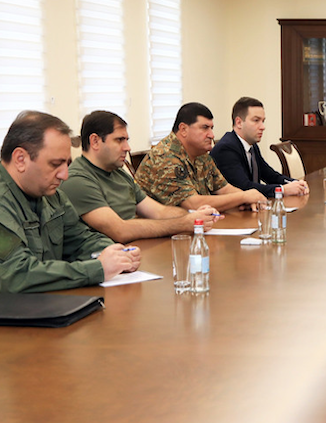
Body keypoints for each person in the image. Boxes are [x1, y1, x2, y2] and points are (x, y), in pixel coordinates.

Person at [0, 111, 140, 293]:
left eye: (66, 164)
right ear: (20, 159)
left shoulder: (50, 195)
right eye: (54, 164)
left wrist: (116, 254)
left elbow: (80, 239)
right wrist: (97, 269)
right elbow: (17, 274)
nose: (64, 175)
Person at [60, 111, 222, 243]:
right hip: (109, 259)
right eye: (119, 140)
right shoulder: (78, 180)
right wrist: (185, 223)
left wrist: (195, 216)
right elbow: (119, 231)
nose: (127, 148)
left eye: (127, 140)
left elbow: (159, 212)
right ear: (95, 141)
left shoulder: (119, 173)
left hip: (139, 249)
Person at [134, 102, 266, 211]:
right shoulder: (165, 157)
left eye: (211, 128)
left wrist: (249, 198)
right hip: (160, 234)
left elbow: (224, 188)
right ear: (183, 129)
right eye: (205, 128)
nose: (211, 135)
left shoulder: (201, 153)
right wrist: (243, 197)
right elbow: (192, 204)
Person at [211, 97, 308, 197]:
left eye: (263, 121)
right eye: (256, 120)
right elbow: (244, 187)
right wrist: (282, 189)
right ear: (239, 122)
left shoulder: (252, 145)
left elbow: (270, 175)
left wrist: (295, 183)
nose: (262, 127)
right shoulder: (226, 148)